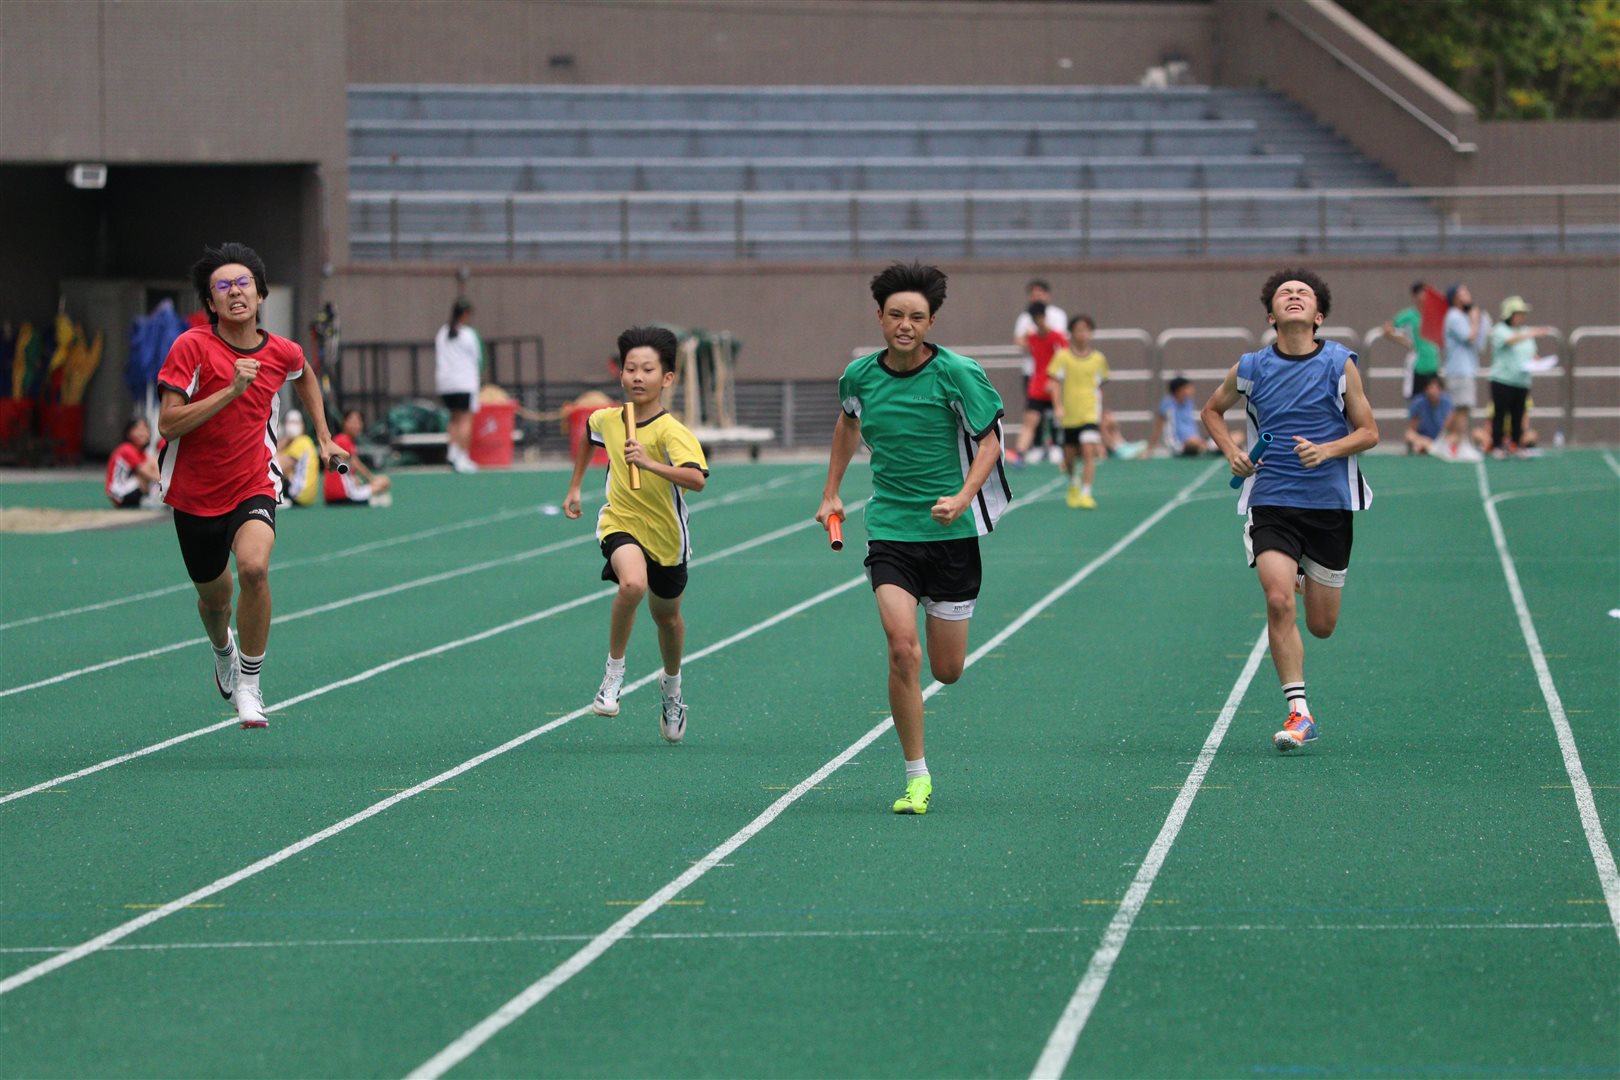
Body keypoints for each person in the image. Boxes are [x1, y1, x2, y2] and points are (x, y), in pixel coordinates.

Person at [816, 262, 1010, 815]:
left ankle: (922, 749)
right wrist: (831, 491)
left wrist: (964, 497)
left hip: (950, 535)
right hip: (891, 530)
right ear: (880, 316)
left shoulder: (957, 373)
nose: (905, 325)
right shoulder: (859, 377)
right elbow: (848, 423)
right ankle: (916, 775)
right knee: (903, 649)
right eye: (896, 315)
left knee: (947, 670)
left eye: (917, 317)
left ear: (931, 323)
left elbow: (991, 441)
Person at [156, 242, 345, 729]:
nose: (235, 292)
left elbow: (304, 374)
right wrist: (231, 390)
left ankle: (250, 685)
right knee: (215, 601)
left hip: (253, 482)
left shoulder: (281, 350)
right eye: (223, 286)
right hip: (194, 493)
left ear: (260, 295)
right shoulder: (191, 347)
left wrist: (325, 437)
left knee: (255, 570)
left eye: (244, 284)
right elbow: (168, 424)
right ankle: (223, 650)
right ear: (211, 302)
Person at [1200, 268, 1377, 753]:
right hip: (1271, 499)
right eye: (1285, 293)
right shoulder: (1251, 367)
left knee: (1321, 626)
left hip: (1329, 504)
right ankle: (1300, 712)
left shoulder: (1340, 363)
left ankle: (1302, 572)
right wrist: (1232, 451)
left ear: (1318, 316)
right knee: (1278, 600)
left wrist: (1327, 450)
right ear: (1271, 316)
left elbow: (1369, 432)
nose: (1294, 296)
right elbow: (1211, 410)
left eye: (1303, 293)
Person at [563, 326, 709, 744]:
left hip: (667, 538)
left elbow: (697, 479)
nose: (638, 377)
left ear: (667, 377)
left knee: (667, 619)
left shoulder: (671, 431)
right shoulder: (609, 419)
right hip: (621, 522)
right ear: (621, 374)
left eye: (648, 369)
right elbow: (589, 435)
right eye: (631, 369)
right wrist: (576, 486)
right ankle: (613, 676)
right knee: (632, 584)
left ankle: (672, 689)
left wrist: (649, 463)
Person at [1046, 314, 1109, 508]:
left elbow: (1101, 385)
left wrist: (1101, 411)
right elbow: (1054, 383)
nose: (1082, 334)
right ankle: (1073, 483)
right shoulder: (1062, 357)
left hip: (1090, 413)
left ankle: (1086, 493)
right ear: (1071, 333)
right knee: (1069, 457)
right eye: (1078, 330)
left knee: (1089, 451)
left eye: (1086, 330)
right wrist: (1057, 406)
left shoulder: (1098, 359)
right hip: (1069, 415)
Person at [1487, 296, 1552, 457]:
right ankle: (1497, 446)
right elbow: (1510, 341)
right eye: (1519, 313)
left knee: (1518, 414)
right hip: (1502, 380)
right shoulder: (1500, 330)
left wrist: (1541, 363)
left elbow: (1532, 354)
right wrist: (1530, 333)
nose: (1522, 317)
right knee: (1500, 414)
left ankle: (1517, 445)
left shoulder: (1525, 332)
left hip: (1521, 381)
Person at [1011, 279, 1068, 463]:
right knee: (1031, 417)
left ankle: (1058, 445)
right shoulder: (1032, 337)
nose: (1039, 321)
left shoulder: (1056, 334)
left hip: (1053, 380)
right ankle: (1021, 452)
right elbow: (1020, 341)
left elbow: (1064, 352)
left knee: (1058, 413)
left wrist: (1056, 378)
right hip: (1037, 381)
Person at [435, 298, 482, 473]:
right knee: (464, 420)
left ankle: (452, 453)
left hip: (446, 383)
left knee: (453, 419)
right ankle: (462, 456)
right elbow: (478, 358)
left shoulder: (442, 332)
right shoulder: (468, 334)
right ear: (465, 314)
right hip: (463, 383)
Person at [1440, 283, 1488, 446]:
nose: (1468, 294)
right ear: (1455, 298)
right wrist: (1474, 318)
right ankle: (1460, 444)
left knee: (1459, 409)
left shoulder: (1462, 316)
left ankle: (1443, 442)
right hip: (1459, 370)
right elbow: (1469, 336)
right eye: (1463, 292)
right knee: (1462, 408)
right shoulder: (1454, 316)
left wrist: (1480, 320)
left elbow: (1479, 343)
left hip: (1466, 369)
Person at [1383, 280, 1442, 398]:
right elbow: (1387, 329)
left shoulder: (1434, 313)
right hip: (1417, 365)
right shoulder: (1409, 315)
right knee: (1416, 400)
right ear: (1415, 296)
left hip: (1433, 364)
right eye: (1422, 292)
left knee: (1435, 399)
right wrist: (1405, 341)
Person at [324, 409, 393, 506]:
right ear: (344, 423)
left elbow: (347, 468)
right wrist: (372, 479)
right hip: (343, 494)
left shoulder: (341, 440)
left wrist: (354, 478)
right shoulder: (343, 440)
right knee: (384, 482)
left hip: (335, 494)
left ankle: (372, 498)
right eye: (352, 422)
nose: (355, 426)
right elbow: (356, 463)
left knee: (378, 482)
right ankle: (373, 499)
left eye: (358, 422)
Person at [1150, 376, 1214, 456]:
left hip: (1194, 440)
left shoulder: (1189, 403)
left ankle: (1206, 447)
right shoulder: (1167, 404)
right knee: (1194, 444)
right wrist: (1150, 448)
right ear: (1179, 390)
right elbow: (1158, 426)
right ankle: (1206, 448)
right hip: (1177, 444)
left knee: (1223, 439)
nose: (1192, 390)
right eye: (1188, 388)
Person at [105, 417, 160, 508]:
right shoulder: (126, 449)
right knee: (152, 464)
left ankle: (155, 496)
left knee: (153, 462)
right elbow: (147, 473)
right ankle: (154, 497)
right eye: (139, 430)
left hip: (128, 488)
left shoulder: (142, 453)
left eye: (145, 430)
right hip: (119, 491)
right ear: (129, 433)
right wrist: (165, 483)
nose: (143, 433)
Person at [275, 410, 320, 507]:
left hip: (299, 494)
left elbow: (278, 465)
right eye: (290, 422)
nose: (293, 426)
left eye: (296, 422)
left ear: (303, 425)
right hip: (306, 496)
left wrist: (285, 440)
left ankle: (277, 498)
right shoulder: (297, 442)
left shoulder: (302, 441)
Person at [1404, 377, 1453, 455]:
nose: (1433, 391)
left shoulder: (1448, 403)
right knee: (1410, 436)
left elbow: (1450, 429)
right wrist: (1424, 440)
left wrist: (1441, 441)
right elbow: (1411, 430)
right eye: (1430, 388)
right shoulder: (1418, 404)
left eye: (1436, 388)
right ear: (1425, 390)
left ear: (1441, 390)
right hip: (1424, 440)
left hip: (1442, 440)